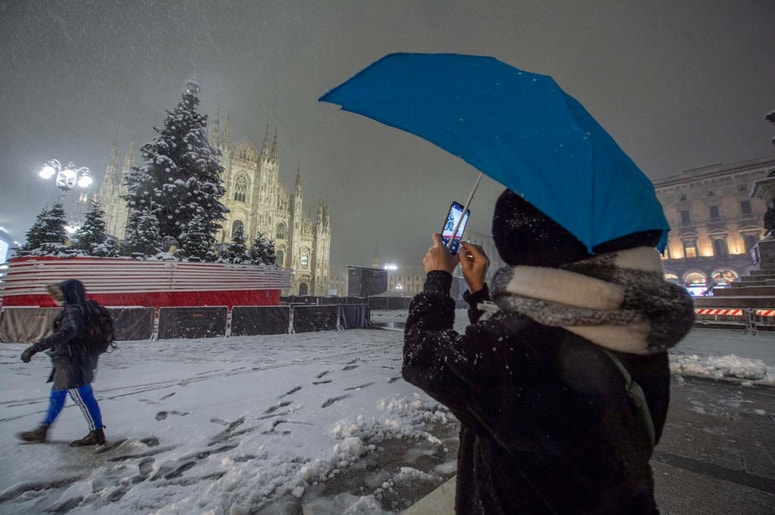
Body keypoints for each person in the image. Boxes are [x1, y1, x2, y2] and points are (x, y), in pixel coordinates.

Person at [403, 189, 695, 514]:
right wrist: (477, 293)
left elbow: (424, 357)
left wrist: (437, 277)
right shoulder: (633, 321)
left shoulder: (530, 342)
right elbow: (503, 364)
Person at [18, 279, 106, 447]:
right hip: (70, 359)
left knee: (82, 396)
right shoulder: (80, 308)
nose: (57, 297)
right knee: (57, 395)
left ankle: (97, 433)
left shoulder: (74, 310)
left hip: (74, 361)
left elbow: (69, 332)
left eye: (60, 293)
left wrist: (36, 347)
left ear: (68, 293)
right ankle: (43, 429)